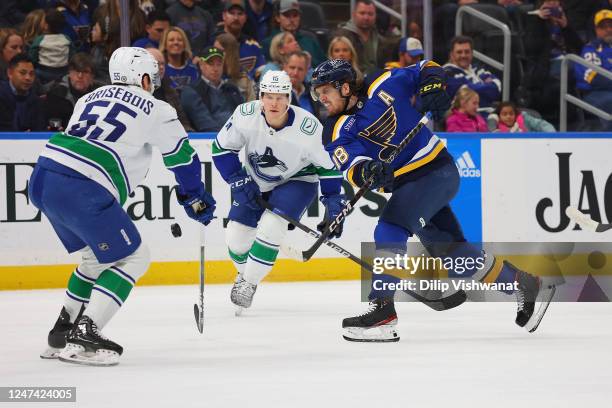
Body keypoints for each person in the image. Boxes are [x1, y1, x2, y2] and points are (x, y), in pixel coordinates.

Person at [311, 59, 555, 342]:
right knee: (454, 255)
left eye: (325, 90)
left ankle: (382, 311)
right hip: (409, 185)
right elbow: (352, 167)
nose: (321, 98)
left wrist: (433, 85)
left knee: (390, 228)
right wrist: (368, 170)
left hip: (436, 170)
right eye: (317, 93)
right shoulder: (334, 130)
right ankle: (523, 283)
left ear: (344, 86)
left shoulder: (383, 82)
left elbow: (426, 66)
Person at [31, 47, 215, 366]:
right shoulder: (157, 108)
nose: (154, 83)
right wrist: (195, 195)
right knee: (134, 257)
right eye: (152, 77)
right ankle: (87, 332)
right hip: (82, 184)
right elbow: (182, 158)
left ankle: (62, 331)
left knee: (94, 257)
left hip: (43, 177)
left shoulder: (90, 97)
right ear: (143, 78)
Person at [212, 70, 344, 312]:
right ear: (260, 96)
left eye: (281, 97)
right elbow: (221, 149)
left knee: (273, 225)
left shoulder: (309, 128)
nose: (274, 103)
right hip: (254, 179)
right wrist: (237, 180)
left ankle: (248, 284)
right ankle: (246, 275)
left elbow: (328, 168)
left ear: (289, 98)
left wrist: (333, 200)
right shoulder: (245, 115)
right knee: (236, 239)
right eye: (269, 96)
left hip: (298, 179)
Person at [181, 46, 243, 131]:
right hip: (211, 139)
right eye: (210, 64)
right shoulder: (191, 91)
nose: (215, 68)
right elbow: (205, 124)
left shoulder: (232, 89)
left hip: (238, 136)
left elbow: (244, 117)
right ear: (201, 65)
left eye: (219, 64)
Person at [43, 53, 103, 131]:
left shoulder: (101, 96)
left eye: (85, 72)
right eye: (77, 71)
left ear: (92, 77)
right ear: (69, 73)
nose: (80, 76)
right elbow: (52, 124)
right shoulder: (56, 94)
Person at [334, 0, 395, 76]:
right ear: (354, 14)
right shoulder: (342, 36)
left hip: (376, 82)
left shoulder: (381, 39)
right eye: (362, 13)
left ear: (375, 16)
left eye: (370, 14)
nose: (366, 17)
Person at [443, 35, 502, 112]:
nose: (463, 55)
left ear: (472, 53)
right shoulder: (446, 73)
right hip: (462, 120)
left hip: (487, 117)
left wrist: (470, 85)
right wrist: (484, 84)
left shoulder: (479, 69)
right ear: (451, 54)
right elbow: (464, 95)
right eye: (459, 52)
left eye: (467, 52)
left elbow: (496, 87)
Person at [575, 9, 612, 130]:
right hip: (595, 92)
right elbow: (595, 78)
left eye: (611, 25)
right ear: (596, 29)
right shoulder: (591, 49)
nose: (608, 30)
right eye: (603, 27)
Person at [261, 0, 326, 69]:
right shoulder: (268, 43)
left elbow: (324, 65)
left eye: (295, 15)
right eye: (286, 15)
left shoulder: (310, 40)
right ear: (277, 18)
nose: (292, 20)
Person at [146, 47, 194, 131]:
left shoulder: (170, 91)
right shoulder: (135, 92)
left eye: (163, 64)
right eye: (156, 64)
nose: (161, 67)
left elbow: (183, 121)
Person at [218, 0, 266, 80]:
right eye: (232, 13)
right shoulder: (214, 42)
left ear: (245, 18)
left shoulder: (253, 46)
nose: (236, 18)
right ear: (224, 16)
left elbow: (262, 75)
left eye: (240, 14)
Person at [29, 9, 75, 84]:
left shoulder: (40, 40)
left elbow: (32, 57)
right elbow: (72, 55)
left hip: (42, 73)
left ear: (46, 26)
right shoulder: (67, 39)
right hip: (63, 73)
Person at [0, 54, 44, 131]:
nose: (28, 78)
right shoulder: (2, 95)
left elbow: (39, 129)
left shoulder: (36, 101)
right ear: (10, 73)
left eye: (31, 74)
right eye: (22, 73)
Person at [159, 26, 199, 90]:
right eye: (171, 40)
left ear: (184, 45)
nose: (176, 42)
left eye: (180, 40)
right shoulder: (160, 70)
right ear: (165, 45)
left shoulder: (194, 69)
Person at [283, 50, 317, 115]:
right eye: (292, 68)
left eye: (300, 69)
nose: (295, 73)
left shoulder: (313, 92)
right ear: (285, 67)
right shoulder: (275, 91)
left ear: (306, 71)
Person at [489, 101, 556, 132]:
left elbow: (542, 125)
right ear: (499, 116)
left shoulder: (524, 119)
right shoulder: (495, 126)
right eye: (504, 114)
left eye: (511, 114)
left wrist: (552, 136)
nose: (508, 117)